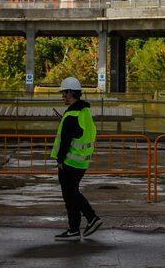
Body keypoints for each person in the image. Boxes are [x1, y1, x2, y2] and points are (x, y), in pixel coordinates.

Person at [51, 76, 102, 240]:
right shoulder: (84, 111)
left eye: (64, 93)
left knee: (70, 194)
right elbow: (81, 133)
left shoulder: (71, 115)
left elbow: (65, 141)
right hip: (82, 162)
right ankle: (75, 228)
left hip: (69, 162)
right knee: (72, 193)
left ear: (70, 93)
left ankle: (90, 218)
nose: (62, 97)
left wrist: (60, 160)